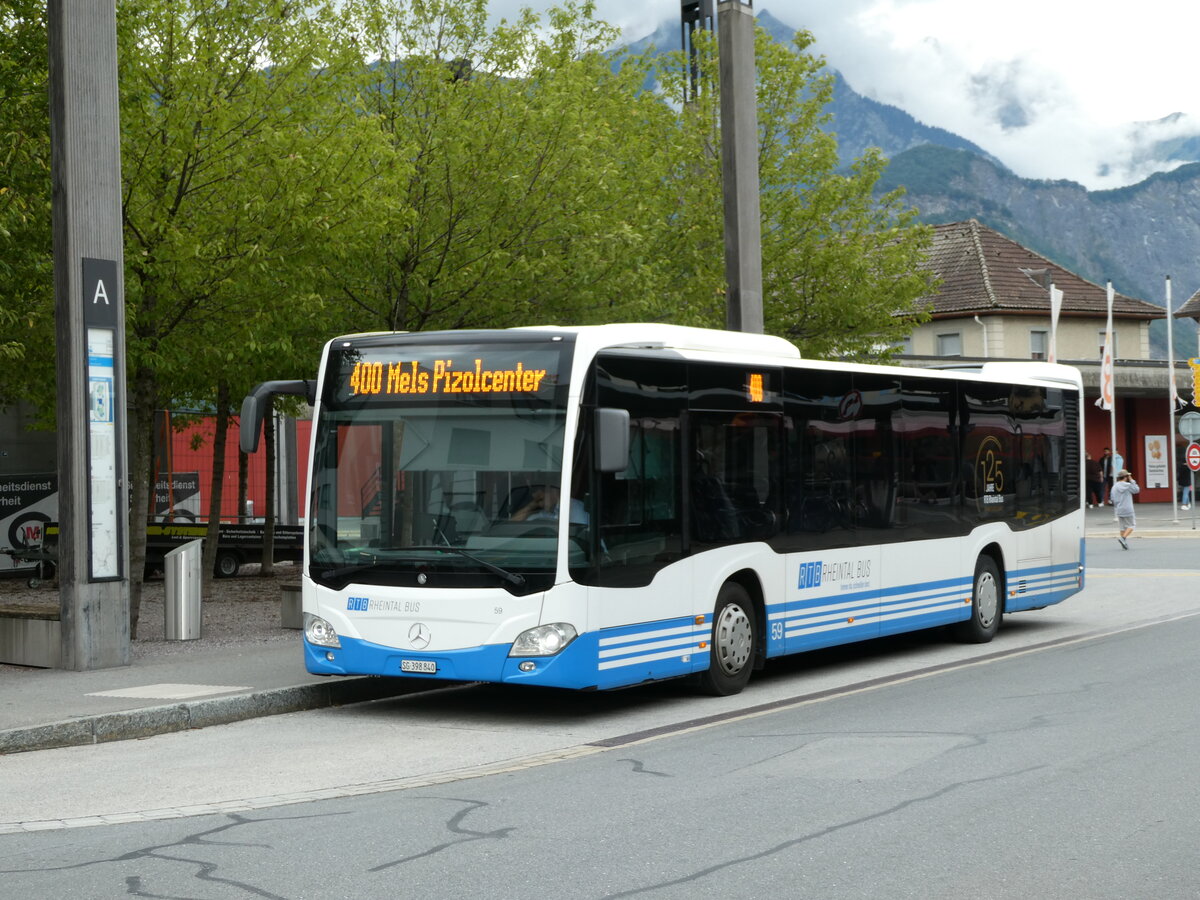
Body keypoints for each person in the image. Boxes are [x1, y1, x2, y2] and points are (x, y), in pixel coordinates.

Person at [511, 485, 588, 525]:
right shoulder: (542, 514)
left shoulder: (575, 507)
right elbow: (512, 526)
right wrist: (530, 506)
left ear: (553, 490)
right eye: (533, 491)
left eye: (540, 489)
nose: (534, 495)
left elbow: (579, 536)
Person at [1110, 468, 1139, 549]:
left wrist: (1116, 506)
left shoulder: (1114, 486)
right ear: (1126, 477)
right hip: (1128, 508)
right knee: (1132, 525)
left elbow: (1112, 498)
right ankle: (1123, 539)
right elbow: (1137, 490)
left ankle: (1124, 544)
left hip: (1119, 508)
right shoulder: (1128, 485)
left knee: (1122, 527)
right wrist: (1132, 480)